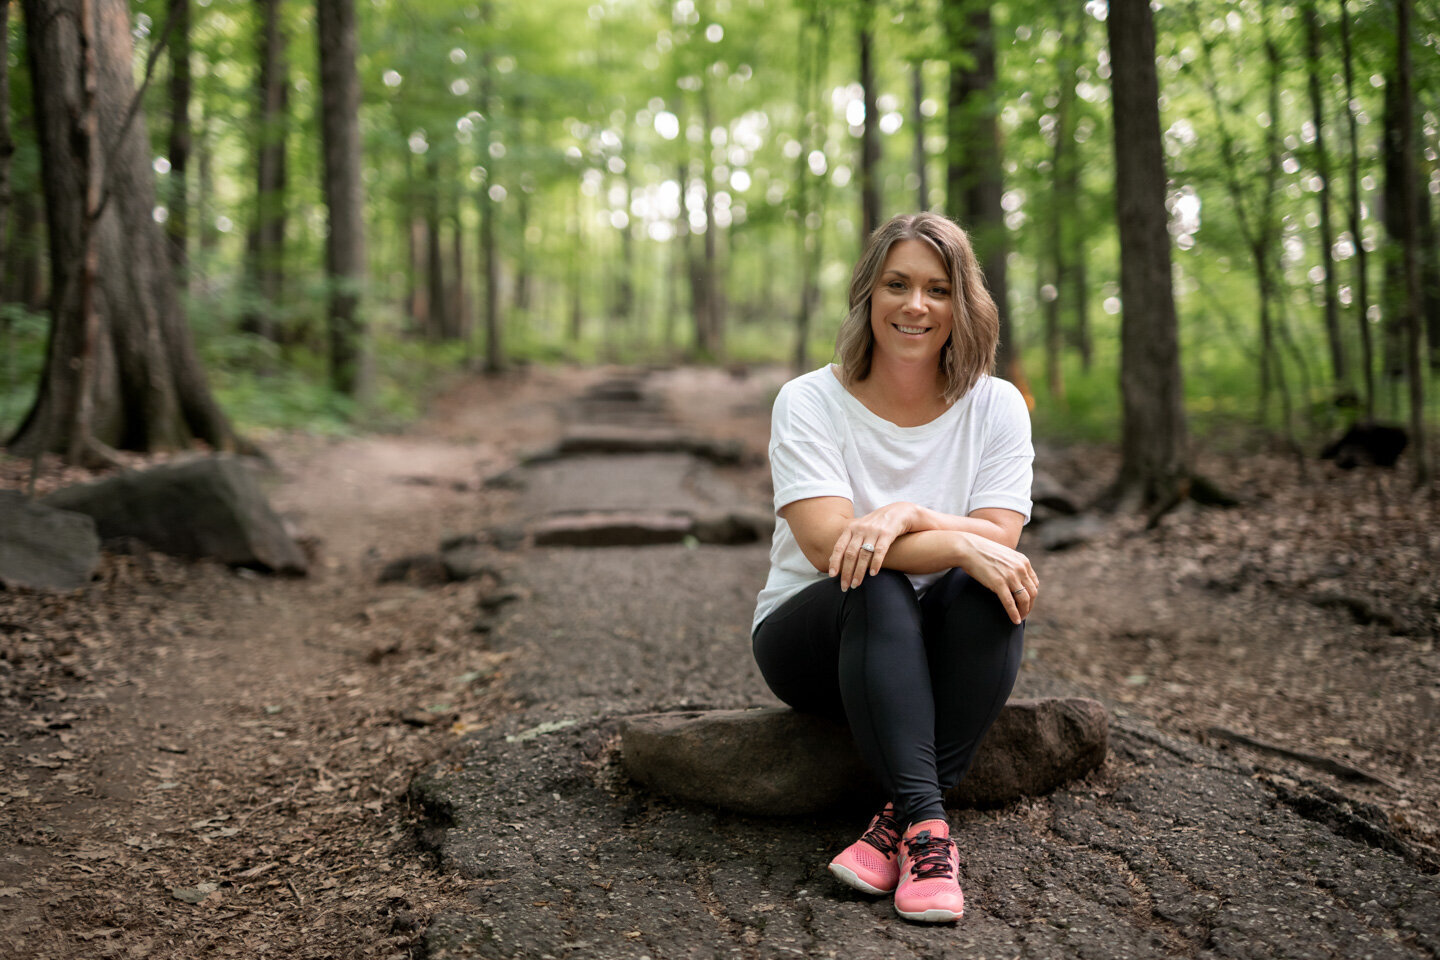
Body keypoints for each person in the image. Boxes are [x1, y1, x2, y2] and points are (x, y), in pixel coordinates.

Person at [751, 212, 1037, 923]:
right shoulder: (810, 400)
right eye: (897, 285)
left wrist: (910, 514)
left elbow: (999, 543)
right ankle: (929, 820)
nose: (916, 305)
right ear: (867, 296)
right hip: (816, 635)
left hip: (935, 644)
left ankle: (904, 828)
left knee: (988, 585)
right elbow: (827, 546)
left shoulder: (995, 405)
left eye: (938, 289)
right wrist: (962, 538)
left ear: (962, 303)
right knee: (872, 580)